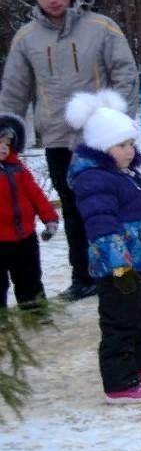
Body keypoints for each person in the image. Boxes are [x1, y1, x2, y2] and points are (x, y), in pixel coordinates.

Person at [0, 0, 139, 301]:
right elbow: (15, 89)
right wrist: (5, 131)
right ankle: (84, 275)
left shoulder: (101, 27)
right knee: (75, 208)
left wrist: (118, 124)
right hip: (59, 139)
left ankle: (124, 269)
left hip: (101, 140)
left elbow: (125, 73)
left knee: (112, 205)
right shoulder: (26, 38)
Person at [64, 90, 141, 405]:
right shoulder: (94, 180)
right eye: (121, 145)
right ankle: (118, 381)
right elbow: (101, 225)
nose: (129, 151)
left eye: (130, 144)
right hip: (118, 268)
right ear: (101, 146)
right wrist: (118, 266)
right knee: (119, 323)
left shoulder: (127, 175)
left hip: (140, 263)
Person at [0, 113, 57, 310]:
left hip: (25, 237)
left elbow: (36, 196)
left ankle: (36, 314)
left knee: (30, 279)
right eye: (0, 142)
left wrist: (50, 219)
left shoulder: (18, 168)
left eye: (8, 144)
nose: (4, 147)